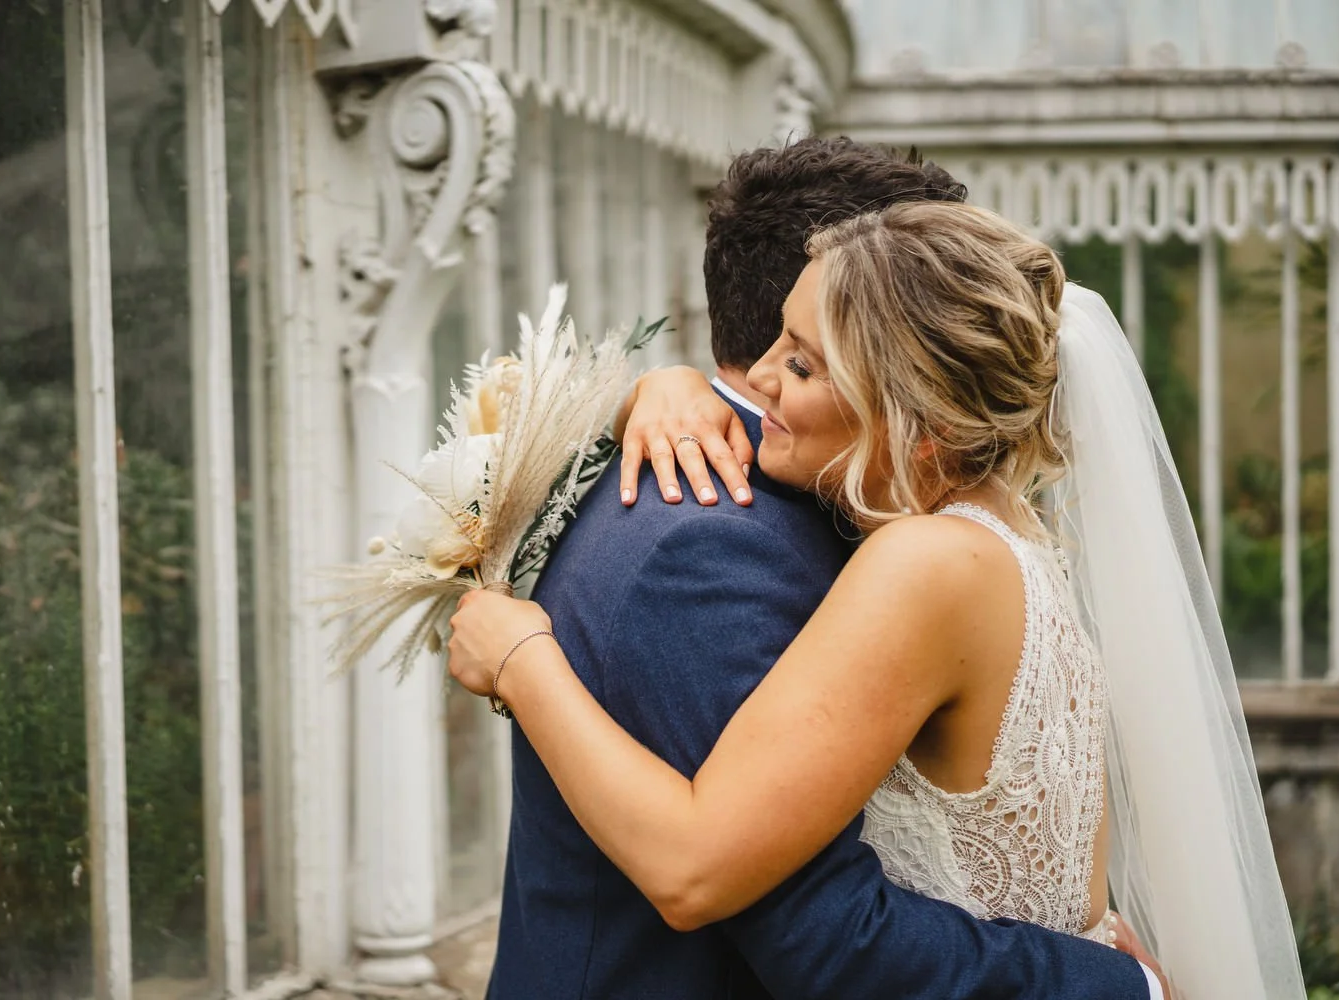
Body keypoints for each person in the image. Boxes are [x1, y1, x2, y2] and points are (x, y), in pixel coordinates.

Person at [456, 138, 1170, 1000]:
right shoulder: (988, 526)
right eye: (781, 344)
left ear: (915, 412)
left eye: (799, 359)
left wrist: (519, 659)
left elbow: (738, 888)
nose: (766, 376)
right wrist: (651, 386)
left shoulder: (914, 549)